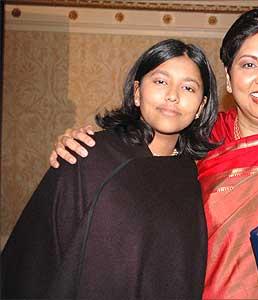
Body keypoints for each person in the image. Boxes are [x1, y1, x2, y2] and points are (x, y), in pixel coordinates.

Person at [47, 7, 258, 300]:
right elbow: (135, 170)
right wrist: (86, 143)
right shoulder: (199, 138)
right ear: (228, 78)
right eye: (249, 65)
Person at [1, 39, 220, 299]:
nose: (173, 95)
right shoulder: (87, 154)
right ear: (137, 92)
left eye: (188, 87)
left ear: (201, 107)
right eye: (160, 81)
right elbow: (34, 257)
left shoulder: (193, 179)